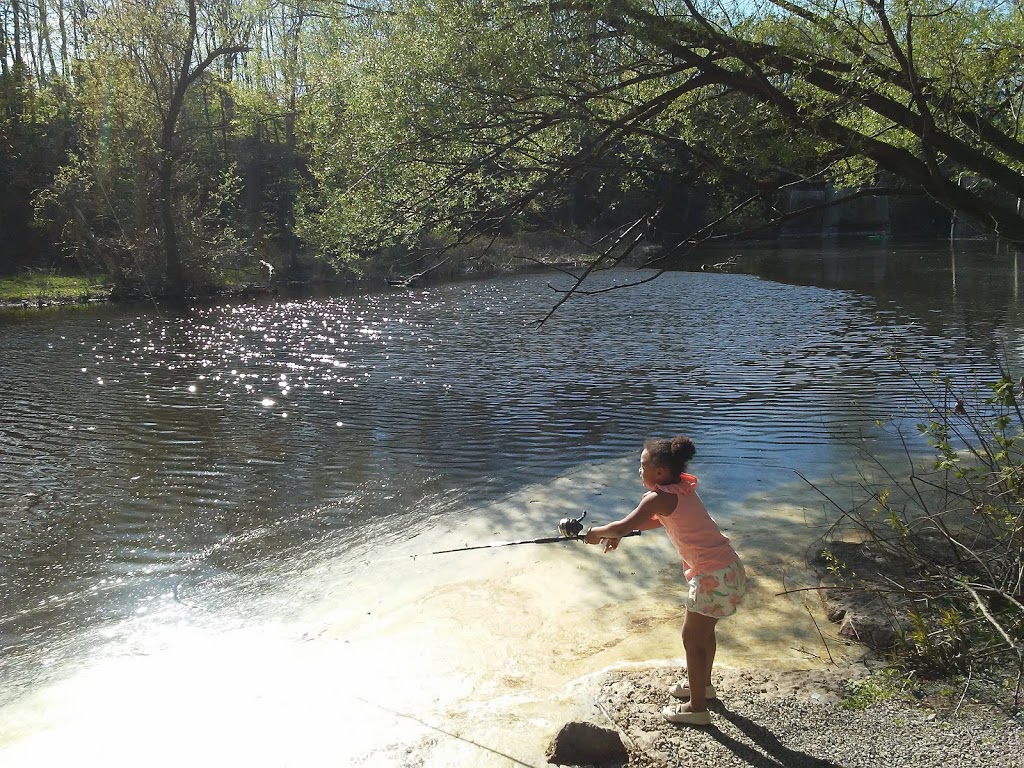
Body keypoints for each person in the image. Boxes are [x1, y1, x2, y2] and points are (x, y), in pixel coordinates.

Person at [583, 436, 746, 726]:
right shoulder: (681, 490)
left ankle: (697, 710)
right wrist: (617, 533)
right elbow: (656, 521)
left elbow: (624, 525)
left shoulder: (658, 497)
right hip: (728, 569)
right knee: (704, 634)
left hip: (712, 575)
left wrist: (596, 531)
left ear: (659, 471)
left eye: (642, 465)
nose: (639, 470)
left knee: (691, 638)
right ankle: (704, 688)